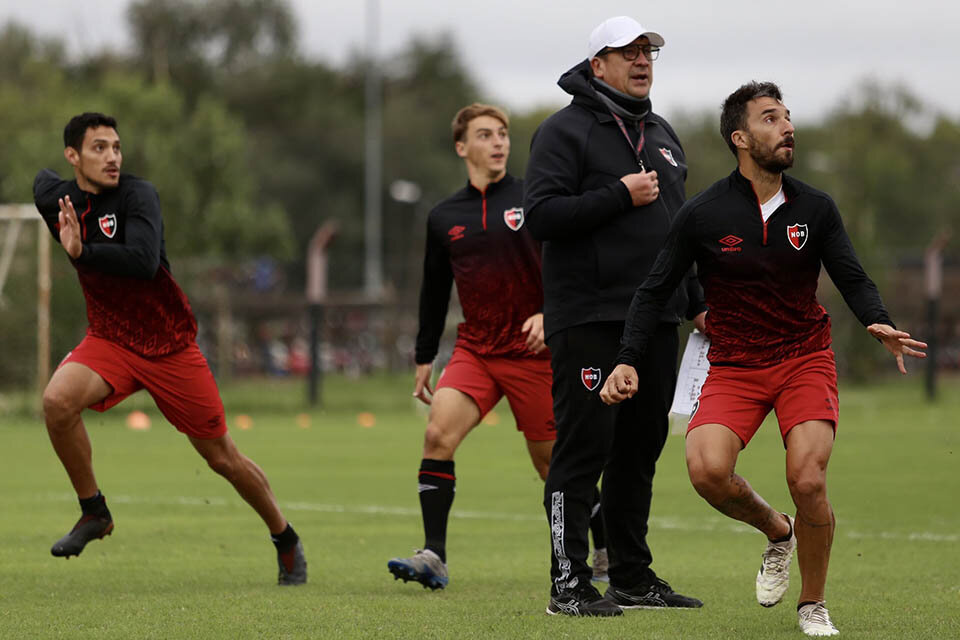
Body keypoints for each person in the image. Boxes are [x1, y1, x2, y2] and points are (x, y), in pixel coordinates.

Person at [600, 81, 927, 636]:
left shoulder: (816, 207)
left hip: (804, 359)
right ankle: (778, 531)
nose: (787, 127)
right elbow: (653, 291)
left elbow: (851, 275)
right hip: (734, 365)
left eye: (788, 116)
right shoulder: (704, 213)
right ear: (741, 138)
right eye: (771, 118)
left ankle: (812, 604)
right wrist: (627, 358)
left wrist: (880, 322)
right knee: (706, 471)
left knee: (807, 478)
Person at [33, 112, 306, 586]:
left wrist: (82, 252)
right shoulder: (61, 200)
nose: (113, 156)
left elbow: (141, 261)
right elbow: (41, 184)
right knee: (56, 402)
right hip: (109, 340)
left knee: (223, 459)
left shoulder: (139, 195)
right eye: (99, 147)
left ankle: (284, 537)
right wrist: (60, 215)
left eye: (117, 146)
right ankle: (94, 511)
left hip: (169, 347)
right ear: (73, 156)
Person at [387, 103, 614, 590]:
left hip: (536, 352)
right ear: (461, 146)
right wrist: (425, 355)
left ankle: (604, 547)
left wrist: (550, 312)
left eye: (503, 134)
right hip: (477, 350)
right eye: (486, 134)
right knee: (437, 436)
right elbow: (433, 288)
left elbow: (574, 261)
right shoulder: (444, 216)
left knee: (554, 464)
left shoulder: (535, 200)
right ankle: (434, 555)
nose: (498, 142)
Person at [524, 16, 706, 616]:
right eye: (626, 51)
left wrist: (698, 302)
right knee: (583, 449)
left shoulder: (663, 133)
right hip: (590, 317)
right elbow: (541, 216)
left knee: (639, 450)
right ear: (596, 65)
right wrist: (617, 196)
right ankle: (568, 584)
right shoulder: (563, 131)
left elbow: (682, 235)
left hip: (655, 321)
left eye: (647, 50)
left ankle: (631, 575)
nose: (641, 59)